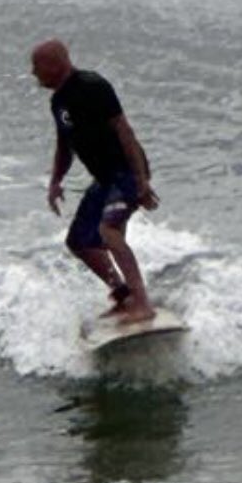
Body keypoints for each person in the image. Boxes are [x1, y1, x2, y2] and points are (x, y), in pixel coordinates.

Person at [31, 38, 159, 323]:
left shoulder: (93, 86)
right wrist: (55, 182)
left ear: (55, 64)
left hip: (126, 171)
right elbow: (65, 145)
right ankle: (123, 294)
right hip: (104, 179)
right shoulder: (58, 102)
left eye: (36, 66)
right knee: (79, 241)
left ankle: (142, 303)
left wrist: (141, 181)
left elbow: (125, 131)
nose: (33, 74)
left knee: (109, 230)